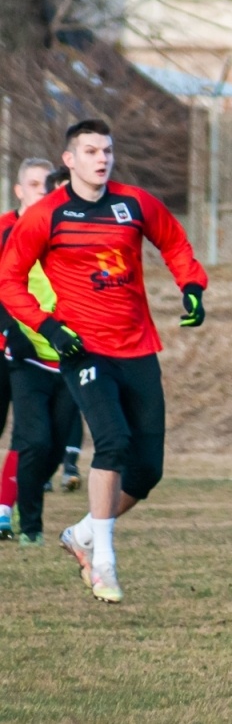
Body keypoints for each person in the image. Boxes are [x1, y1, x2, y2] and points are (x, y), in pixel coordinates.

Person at [0, 119, 207, 604]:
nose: (101, 158)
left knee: (148, 470)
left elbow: (174, 241)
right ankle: (105, 563)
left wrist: (192, 285)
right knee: (112, 443)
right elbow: (9, 281)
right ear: (69, 160)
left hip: (137, 346)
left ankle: (83, 533)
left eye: (107, 150)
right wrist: (49, 327)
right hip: (83, 350)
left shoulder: (134, 204)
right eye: (91, 150)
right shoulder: (46, 215)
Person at [1, 165, 78, 543]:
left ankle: (13, 511)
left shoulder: (83, 235)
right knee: (32, 439)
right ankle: (23, 523)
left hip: (69, 357)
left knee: (52, 446)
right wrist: (11, 329)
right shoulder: (20, 231)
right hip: (24, 351)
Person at [0, 159, 54, 539]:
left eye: (46, 185)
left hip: (37, 353)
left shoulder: (59, 231)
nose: (41, 192)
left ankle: (4, 510)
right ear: (19, 190)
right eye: (34, 184)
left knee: (31, 437)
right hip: (5, 346)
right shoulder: (4, 229)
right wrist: (8, 330)